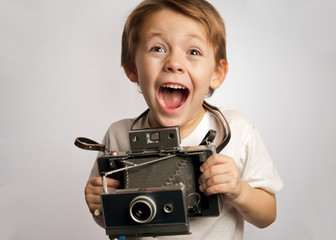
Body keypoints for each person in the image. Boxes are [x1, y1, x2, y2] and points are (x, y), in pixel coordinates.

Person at [84, 0, 283, 239]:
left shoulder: (236, 129)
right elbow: (109, 219)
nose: (174, 64)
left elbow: (267, 215)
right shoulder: (118, 135)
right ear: (132, 68)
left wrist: (239, 190)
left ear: (216, 73)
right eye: (157, 48)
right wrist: (98, 205)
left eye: (193, 52)